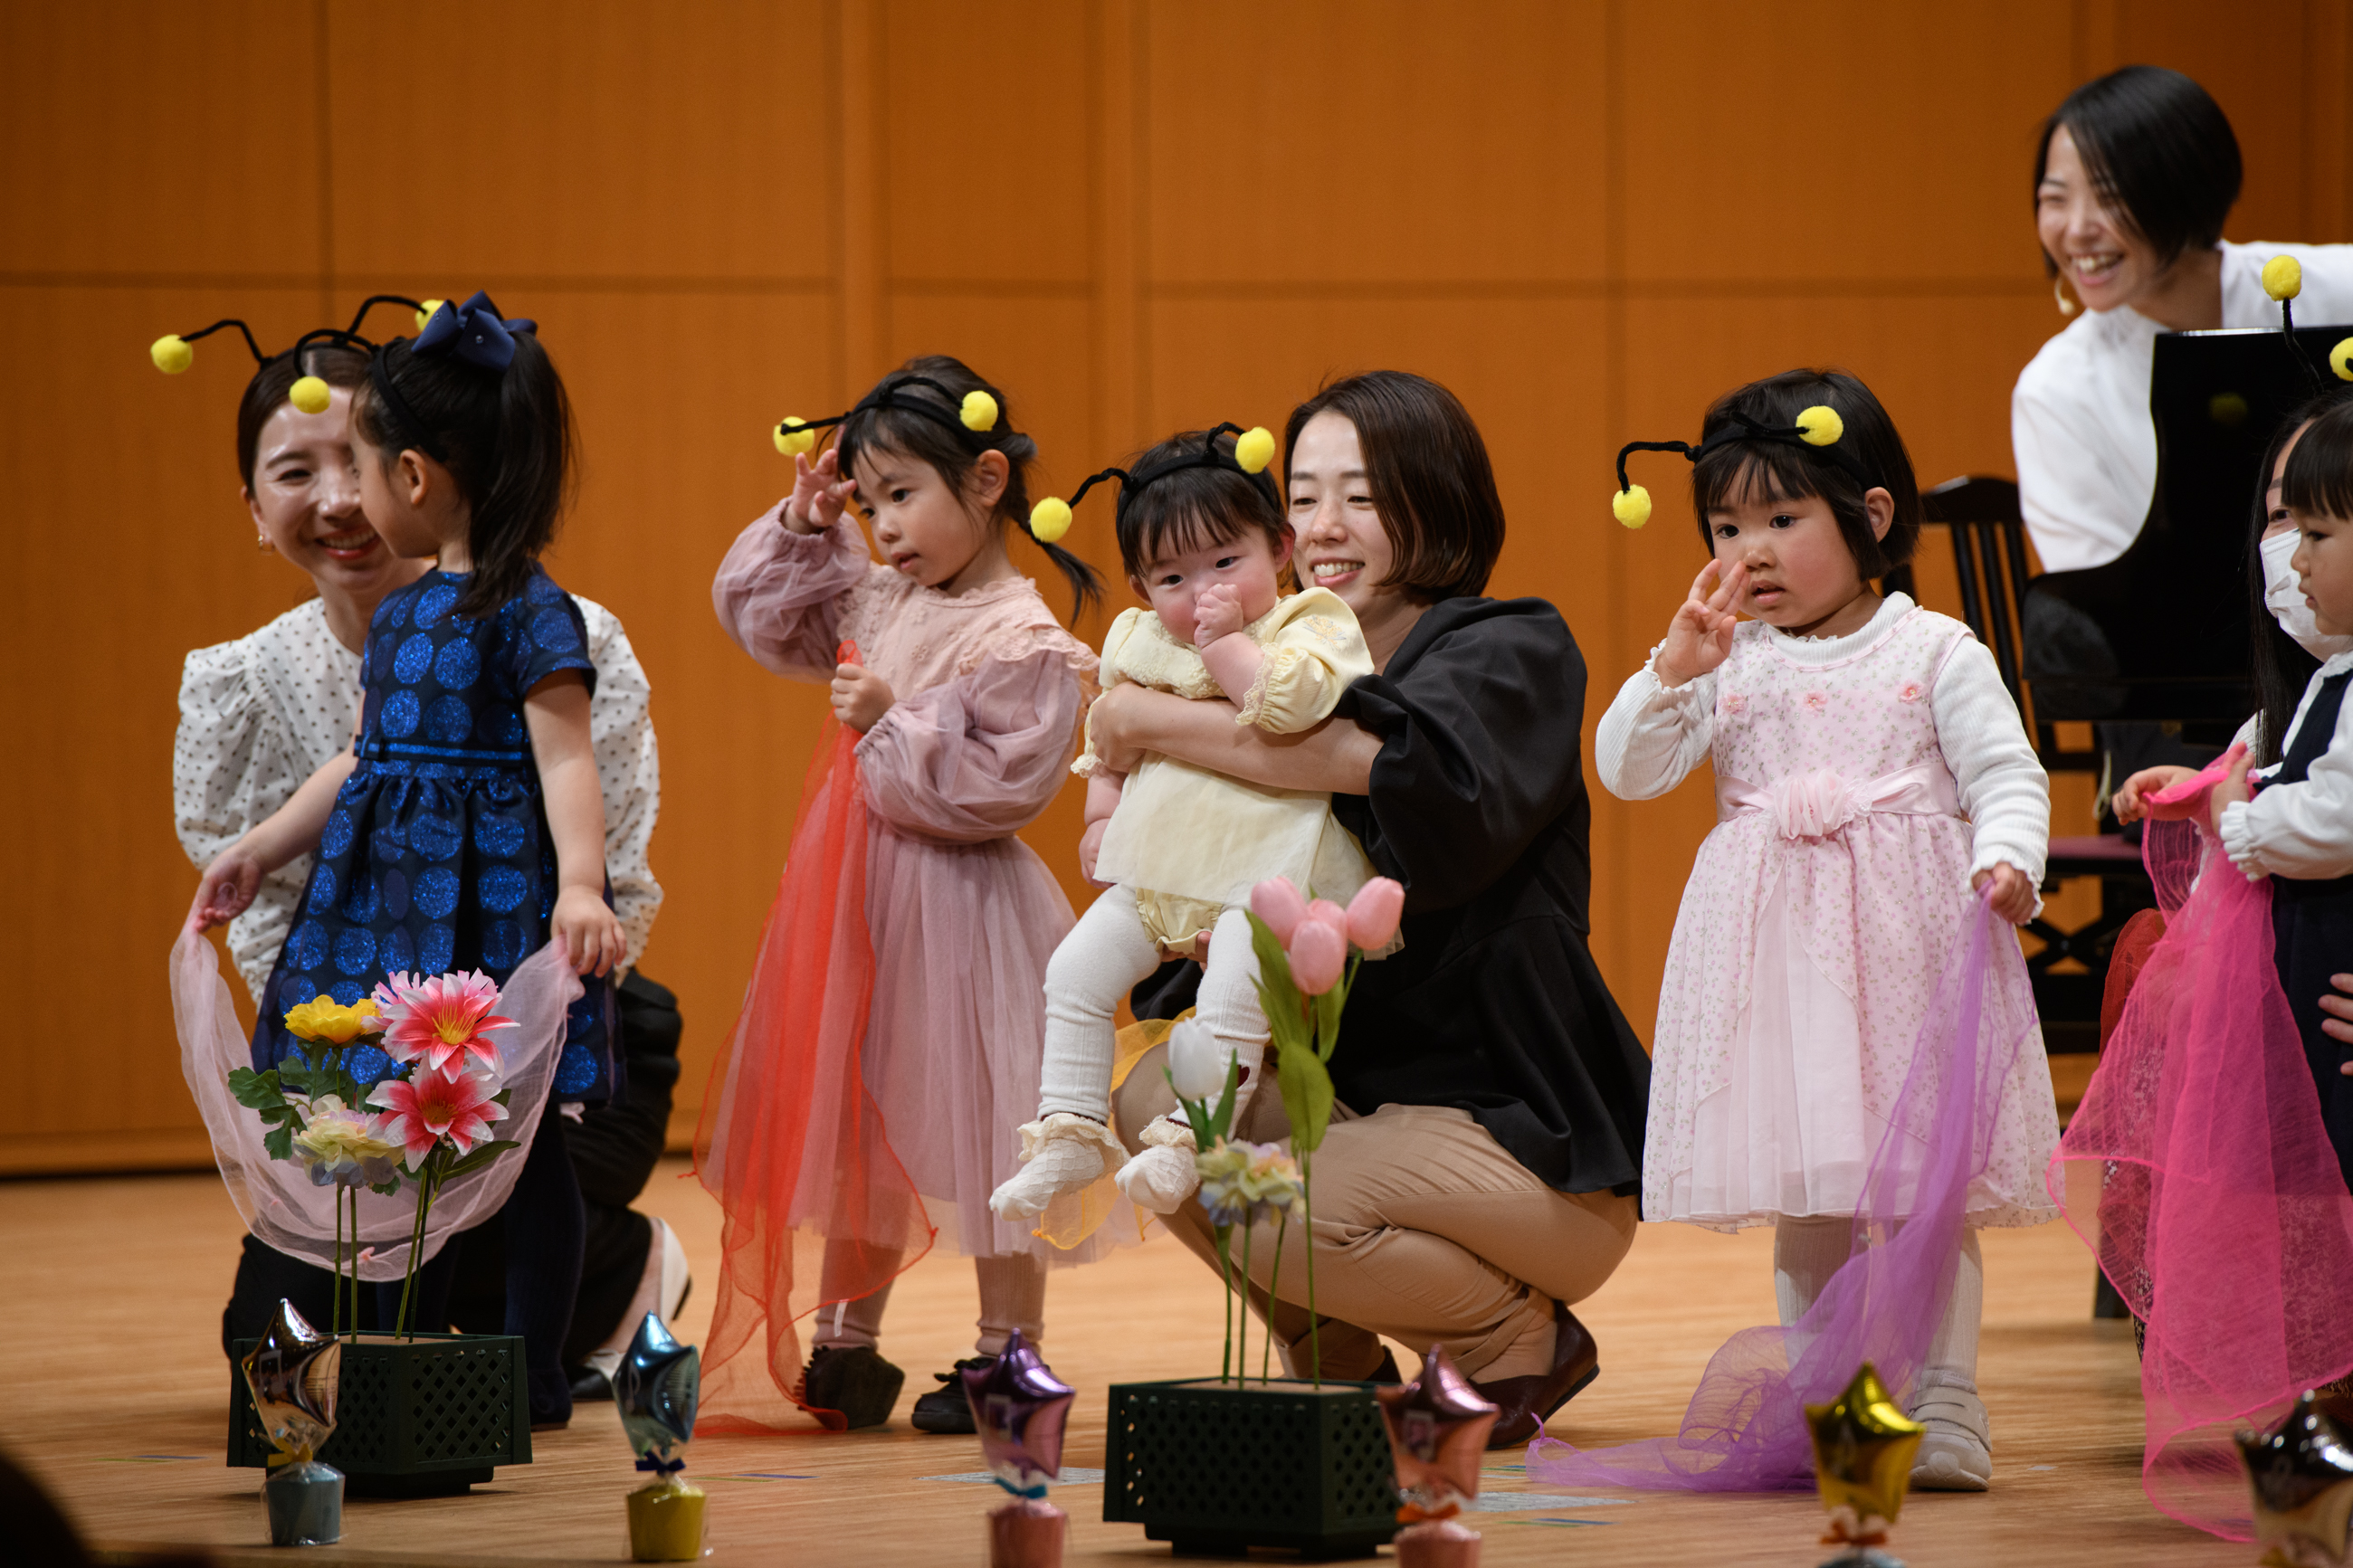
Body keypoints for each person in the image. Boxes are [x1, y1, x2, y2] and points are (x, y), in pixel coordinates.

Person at [1091, 370, 1652, 1449]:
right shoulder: (1268, 663)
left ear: (1432, 499)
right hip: (1368, 1115)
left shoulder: (1507, 646)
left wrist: (1143, 715)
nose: (1323, 526)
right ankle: (1337, 1364)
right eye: (1300, 496)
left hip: (1524, 1143)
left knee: (1263, 1196)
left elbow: (1384, 768)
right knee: (1159, 1100)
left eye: (1361, 492)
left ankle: (1512, 1337)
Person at [166, 310, 682, 1380]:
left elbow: (566, 763)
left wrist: (579, 887)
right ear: (253, 506)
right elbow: (364, 756)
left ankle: (538, 1365)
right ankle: (417, 1355)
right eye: (300, 472)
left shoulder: (535, 611)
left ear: (410, 473)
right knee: (409, 1168)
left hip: (491, 929)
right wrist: (261, 844)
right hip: (398, 945)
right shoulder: (404, 622)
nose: (344, 498)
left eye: (354, 466)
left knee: (521, 1159)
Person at [1588, 369, 2054, 1491]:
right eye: (1725, 525)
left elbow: (2006, 771)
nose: (1747, 550)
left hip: (1908, 956)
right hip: (1776, 972)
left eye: (1780, 519)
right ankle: (1826, 1400)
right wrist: (1670, 670)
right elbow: (1625, 768)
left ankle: (1942, 1406)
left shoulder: (1934, 649)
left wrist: (2007, 857)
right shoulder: (1726, 660)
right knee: (1809, 1194)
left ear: (1870, 517)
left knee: (1919, 1195)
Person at [702, 358, 1110, 1436]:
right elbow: (762, 620)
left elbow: (996, 790)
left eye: (903, 495)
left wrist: (892, 717)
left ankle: (1003, 1357)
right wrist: (801, 521)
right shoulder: (876, 591)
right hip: (852, 900)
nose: (881, 528)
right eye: (865, 501)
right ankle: (846, 1344)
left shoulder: (1019, 635)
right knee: (859, 1118)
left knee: (984, 1129)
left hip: (962, 912)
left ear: (984, 480)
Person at [2063, 395, 2353, 1536]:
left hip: (2325, 974)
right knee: (2312, 1187)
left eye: (2316, 531)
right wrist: (2187, 790)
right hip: (2297, 990)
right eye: (2275, 524)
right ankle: (2321, 1378)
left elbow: (2311, 820)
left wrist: (2234, 818)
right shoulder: (2311, 686)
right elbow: (2249, 759)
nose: (2284, 557)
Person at [989, 423, 1385, 1228]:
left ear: (1279, 546)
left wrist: (1229, 646)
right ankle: (1068, 1127)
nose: (1201, 590)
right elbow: (1109, 739)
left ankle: (1190, 1137)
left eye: (1225, 563)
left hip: (1264, 866)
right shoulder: (1137, 637)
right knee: (1073, 972)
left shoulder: (1311, 621)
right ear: (1139, 585)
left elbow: (1289, 702)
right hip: (1162, 860)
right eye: (1172, 575)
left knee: (1232, 992)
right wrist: (1101, 811)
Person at [2014, 65, 2353, 575]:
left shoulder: (2336, 287)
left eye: (2109, 196)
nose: (2078, 230)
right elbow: (2100, 601)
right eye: (2055, 199)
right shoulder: (2056, 389)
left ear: (2185, 187)